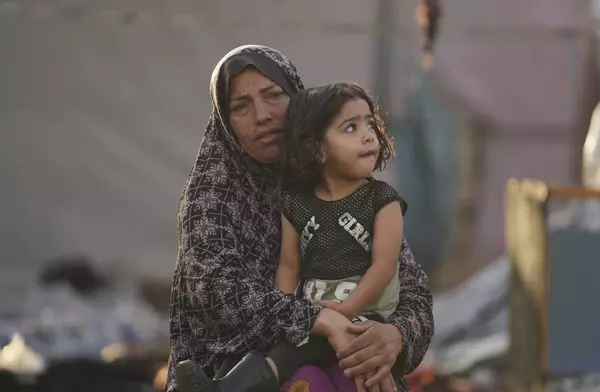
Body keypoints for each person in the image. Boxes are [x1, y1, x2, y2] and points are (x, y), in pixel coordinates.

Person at [165, 45, 434, 392]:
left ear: (298, 97)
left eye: (274, 95)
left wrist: (395, 336)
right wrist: (317, 319)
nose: (262, 115)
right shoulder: (213, 196)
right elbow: (215, 289)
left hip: (347, 362)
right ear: (225, 123)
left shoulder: (339, 179)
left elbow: (411, 288)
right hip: (229, 373)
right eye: (241, 106)